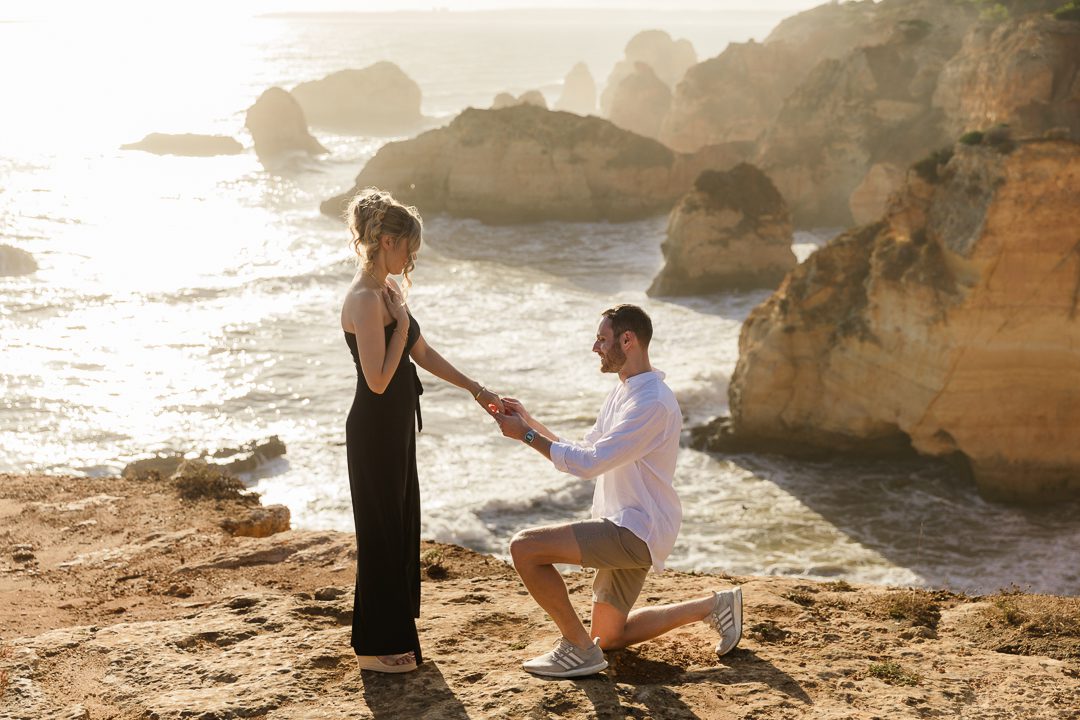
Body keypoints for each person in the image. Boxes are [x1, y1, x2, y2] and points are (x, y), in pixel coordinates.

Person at [493, 304, 742, 678]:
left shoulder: (650, 402)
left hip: (635, 529)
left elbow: (589, 464)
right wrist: (528, 421)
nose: (595, 347)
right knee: (608, 636)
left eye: (602, 339)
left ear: (628, 340)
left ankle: (577, 648)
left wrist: (526, 436)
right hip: (625, 522)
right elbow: (584, 449)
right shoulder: (626, 391)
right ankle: (715, 605)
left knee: (524, 548)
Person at [340, 187, 504, 674]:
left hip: (394, 431)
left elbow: (422, 353)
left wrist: (477, 389)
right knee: (380, 534)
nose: (413, 255)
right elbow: (378, 379)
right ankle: (374, 648)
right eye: (409, 244)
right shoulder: (368, 299)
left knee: (399, 527)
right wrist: (401, 321)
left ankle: (390, 636)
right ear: (387, 240)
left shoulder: (386, 293)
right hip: (373, 431)